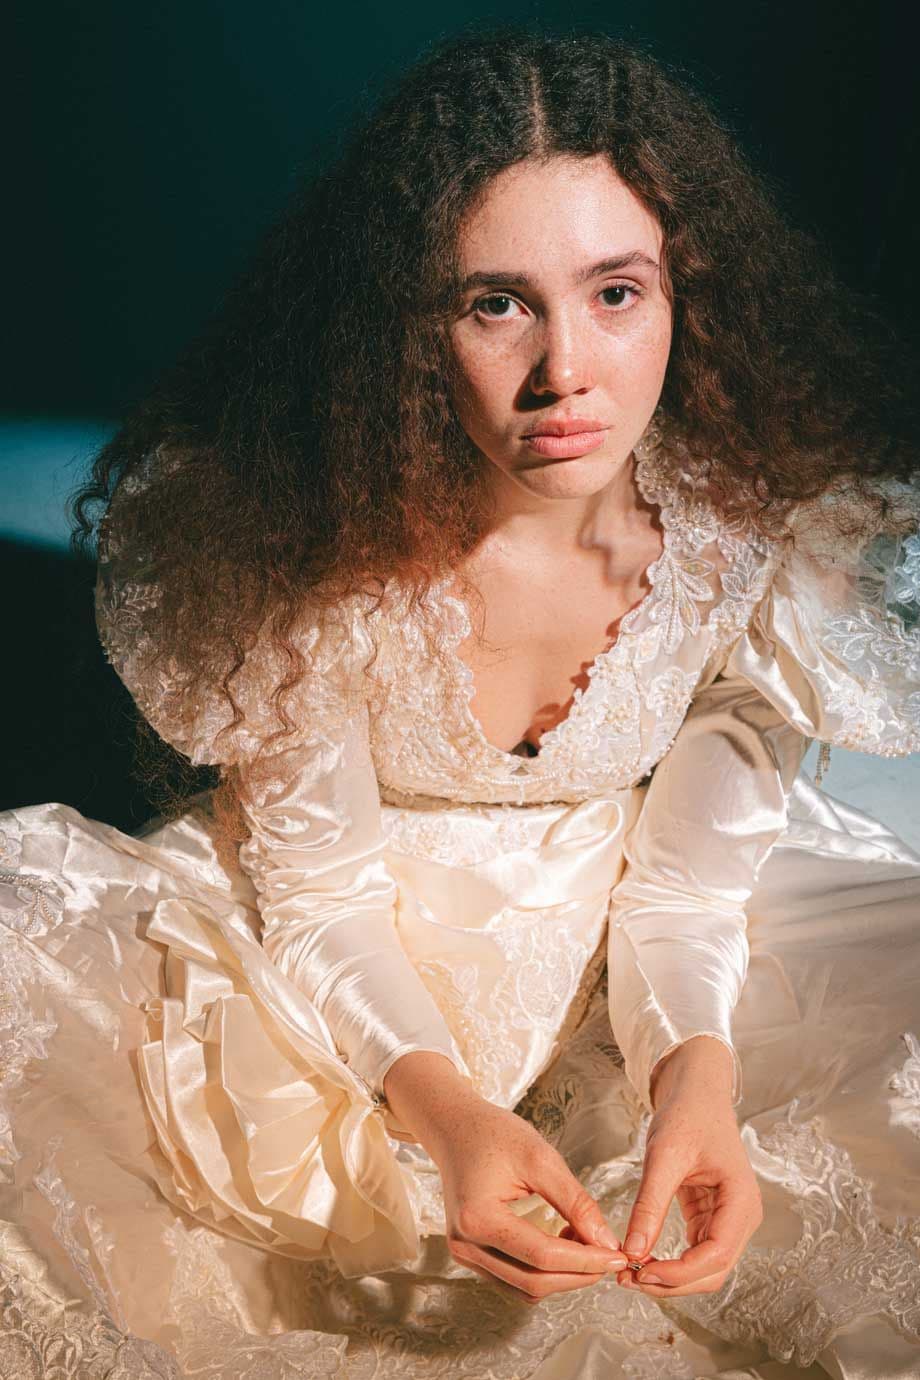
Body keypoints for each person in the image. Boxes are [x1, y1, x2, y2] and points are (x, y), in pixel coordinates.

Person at [2, 23, 919, 1380]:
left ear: (689, 296)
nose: (566, 371)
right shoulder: (310, 556)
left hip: (636, 946)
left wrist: (696, 1077)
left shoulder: (758, 549)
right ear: (407, 325)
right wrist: (446, 1114)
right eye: (496, 303)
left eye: (617, 293)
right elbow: (319, 897)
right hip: (341, 968)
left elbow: (685, 895)